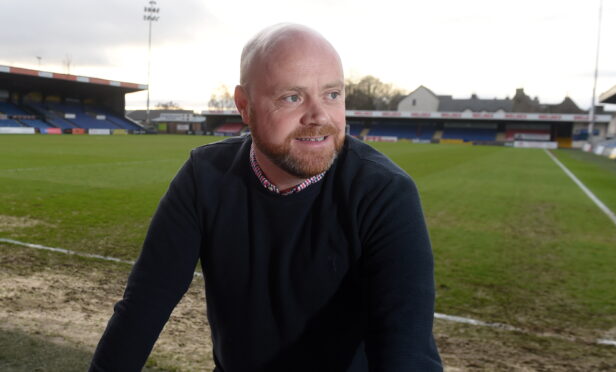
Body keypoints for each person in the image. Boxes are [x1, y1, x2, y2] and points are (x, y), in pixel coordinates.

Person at [90, 23, 442, 372]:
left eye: (332, 94)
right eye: (292, 97)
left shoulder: (383, 193)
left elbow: (408, 350)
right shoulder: (205, 177)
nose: (320, 116)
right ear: (244, 105)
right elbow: (142, 309)